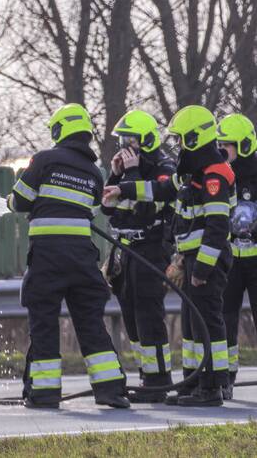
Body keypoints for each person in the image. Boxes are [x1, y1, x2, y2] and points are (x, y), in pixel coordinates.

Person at [104, 105, 234, 407]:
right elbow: (160, 190)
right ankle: (194, 384)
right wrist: (122, 186)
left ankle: (213, 387)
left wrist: (202, 267)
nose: (177, 145)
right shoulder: (192, 172)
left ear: (194, 138)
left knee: (209, 324)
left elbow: (217, 228)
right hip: (191, 258)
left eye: (181, 139)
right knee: (191, 324)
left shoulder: (214, 175)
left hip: (206, 259)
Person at [9, 103, 129, 409]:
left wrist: (12, 202)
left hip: (48, 258)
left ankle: (46, 393)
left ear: (60, 130)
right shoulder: (94, 171)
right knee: (91, 321)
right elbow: (89, 210)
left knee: (45, 322)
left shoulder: (45, 160)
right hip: (82, 260)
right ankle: (111, 390)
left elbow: (21, 200)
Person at [102, 110, 176, 402]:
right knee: (131, 317)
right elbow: (107, 207)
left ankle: (159, 381)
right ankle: (147, 374)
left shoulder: (162, 168)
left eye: (129, 140)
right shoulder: (125, 171)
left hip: (150, 249)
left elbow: (147, 207)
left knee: (149, 316)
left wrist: (131, 175)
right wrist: (116, 174)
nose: (125, 146)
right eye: (121, 140)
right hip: (125, 252)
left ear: (144, 141)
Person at [218, 113, 257, 399]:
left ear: (242, 145)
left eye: (227, 145)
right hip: (230, 259)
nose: (222, 150)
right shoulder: (221, 175)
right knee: (224, 318)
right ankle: (225, 378)